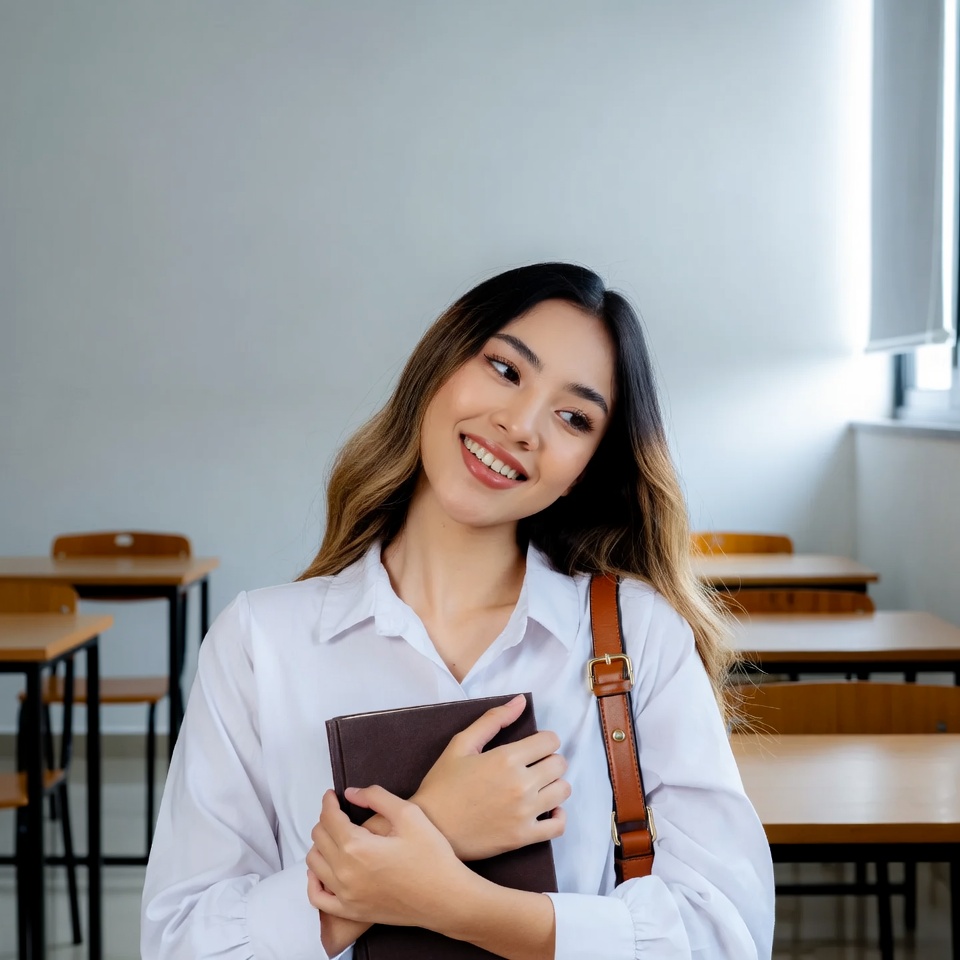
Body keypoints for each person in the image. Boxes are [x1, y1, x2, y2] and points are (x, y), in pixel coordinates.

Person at [141, 262, 775, 959]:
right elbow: (181, 943)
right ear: (437, 366)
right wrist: (432, 822)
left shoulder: (638, 633)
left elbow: (725, 935)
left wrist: (457, 903)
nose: (520, 424)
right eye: (506, 370)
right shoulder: (260, 642)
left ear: (587, 469)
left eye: (573, 417)